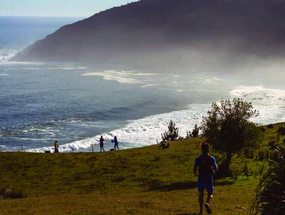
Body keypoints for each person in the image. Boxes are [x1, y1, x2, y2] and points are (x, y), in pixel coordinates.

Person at [193, 142, 218, 214]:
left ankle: (201, 211)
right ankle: (207, 203)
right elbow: (216, 168)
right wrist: (213, 169)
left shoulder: (198, 158)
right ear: (208, 150)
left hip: (201, 178)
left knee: (201, 194)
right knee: (210, 194)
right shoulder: (211, 158)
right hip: (209, 178)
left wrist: (196, 173)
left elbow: (195, 169)